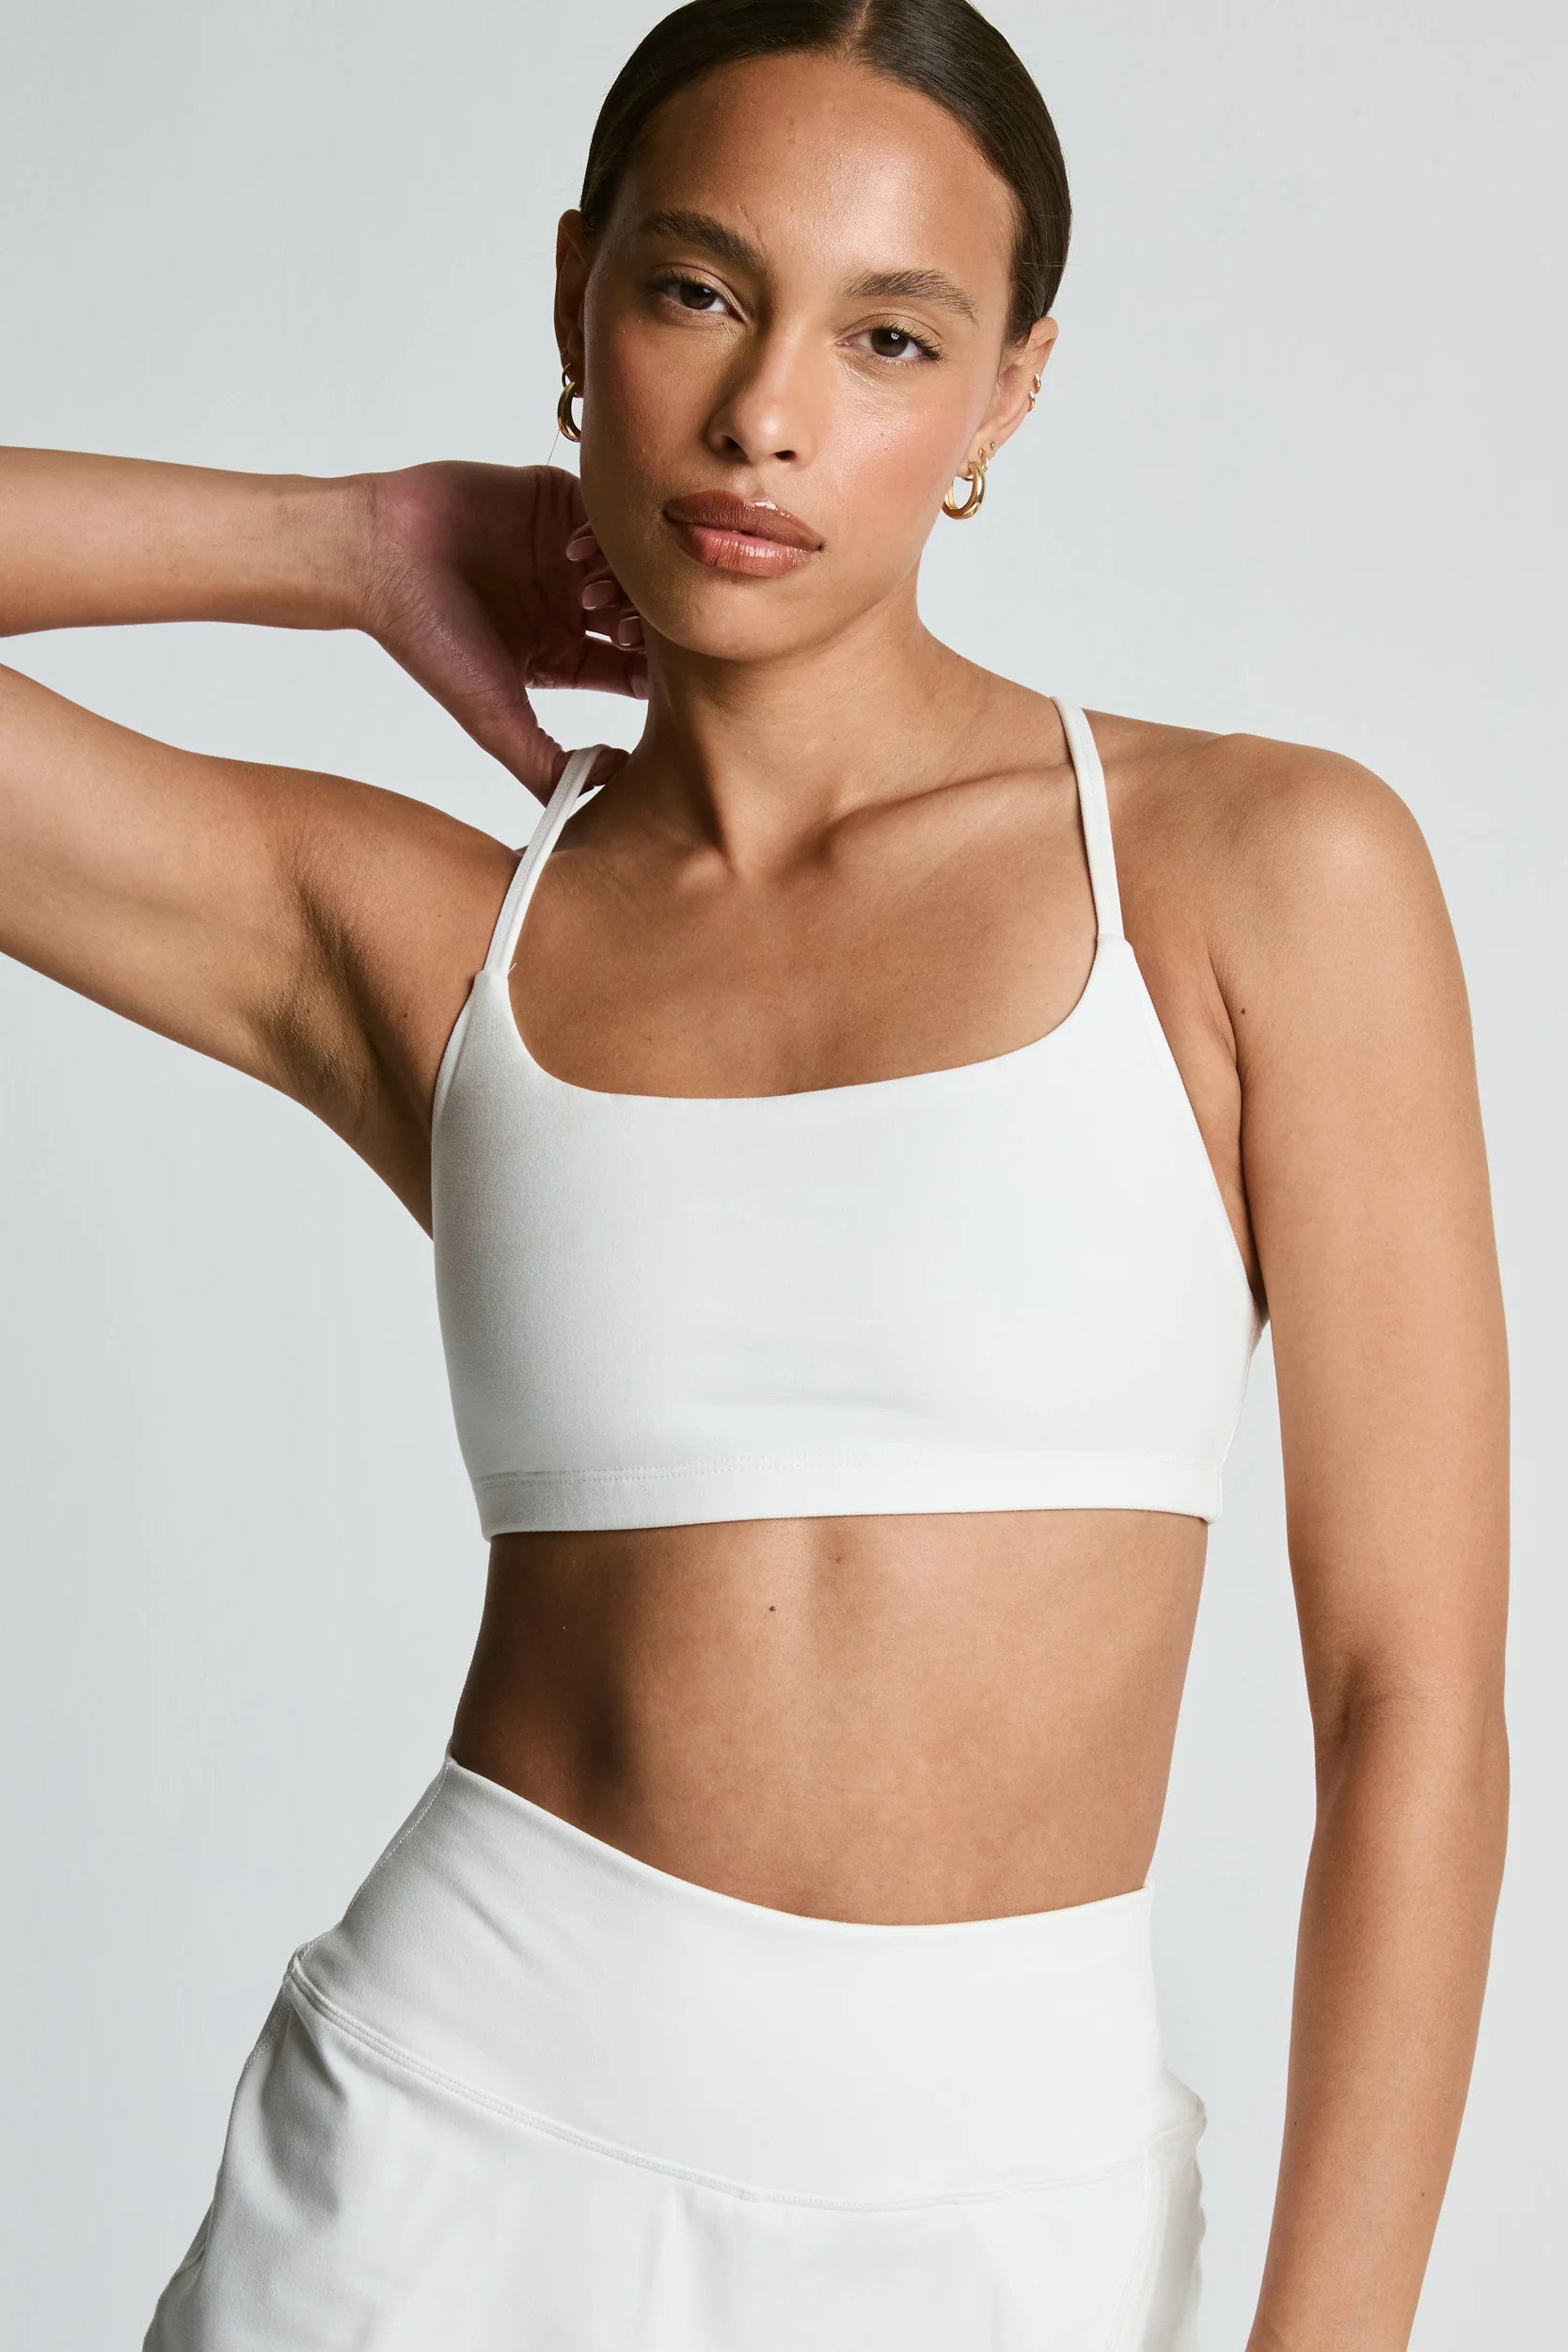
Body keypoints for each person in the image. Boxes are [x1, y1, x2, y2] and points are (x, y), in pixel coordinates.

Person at [0, 3, 1508, 2346]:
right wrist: (345, 541)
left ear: (1005, 395)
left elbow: (1415, 1697)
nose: (767, 412)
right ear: (580, 294)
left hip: (1010, 2222)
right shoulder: (433, 943)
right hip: (435, 2174)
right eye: (699, 290)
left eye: (890, 334)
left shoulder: (1260, 871)